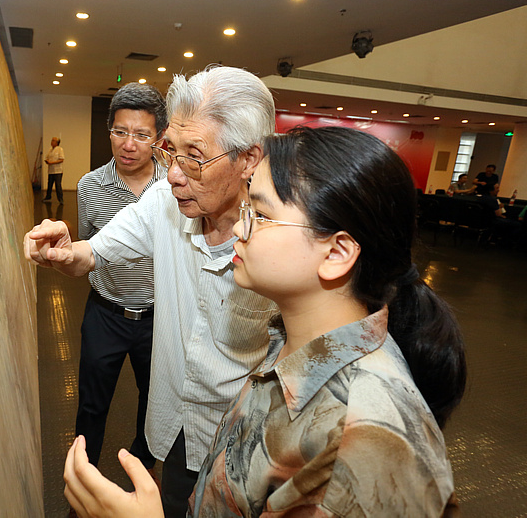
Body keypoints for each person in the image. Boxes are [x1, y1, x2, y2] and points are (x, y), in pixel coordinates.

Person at [62, 127, 466, 517]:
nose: (239, 226)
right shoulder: (287, 342)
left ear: (337, 252)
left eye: (260, 213)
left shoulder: (366, 442)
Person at [25, 65, 278, 517]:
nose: (175, 175)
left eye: (194, 156)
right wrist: (66, 250)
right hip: (180, 427)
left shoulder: (282, 241)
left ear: (248, 160)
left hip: (248, 444)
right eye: (171, 152)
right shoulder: (164, 203)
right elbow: (92, 253)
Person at [74, 83, 168, 482]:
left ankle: (142, 476)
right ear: (109, 131)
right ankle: (83, 479)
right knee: (91, 407)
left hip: (160, 319)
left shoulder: (174, 187)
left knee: (155, 404)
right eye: (119, 132)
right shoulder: (89, 187)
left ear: (158, 139)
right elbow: (87, 248)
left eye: (141, 135)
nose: (128, 145)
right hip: (106, 313)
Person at [44, 136, 65, 203]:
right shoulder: (50, 150)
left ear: (57, 143)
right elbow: (47, 157)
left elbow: (61, 159)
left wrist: (52, 162)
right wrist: (47, 161)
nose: (52, 142)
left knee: (58, 185)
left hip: (58, 171)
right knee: (49, 184)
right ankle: (48, 196)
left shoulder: (60, 149)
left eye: (53, 140)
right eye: (52, 140)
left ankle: (60, 199)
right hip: (51, 171)